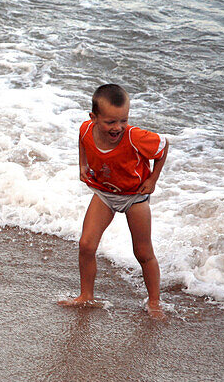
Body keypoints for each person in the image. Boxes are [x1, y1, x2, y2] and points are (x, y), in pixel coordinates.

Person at [59, 84, 169, 320]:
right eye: (110, 122)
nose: (118, 127)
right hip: (104, 193)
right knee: (86, 245)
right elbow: (82, 140)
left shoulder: (135, 137)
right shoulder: (86, 129)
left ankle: (155, 302)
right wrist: (83, 165)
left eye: (123, 120)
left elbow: (163, 146)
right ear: (94, 118)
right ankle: (86, 296)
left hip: (134, 197)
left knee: (143, 252)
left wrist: (152, 179)